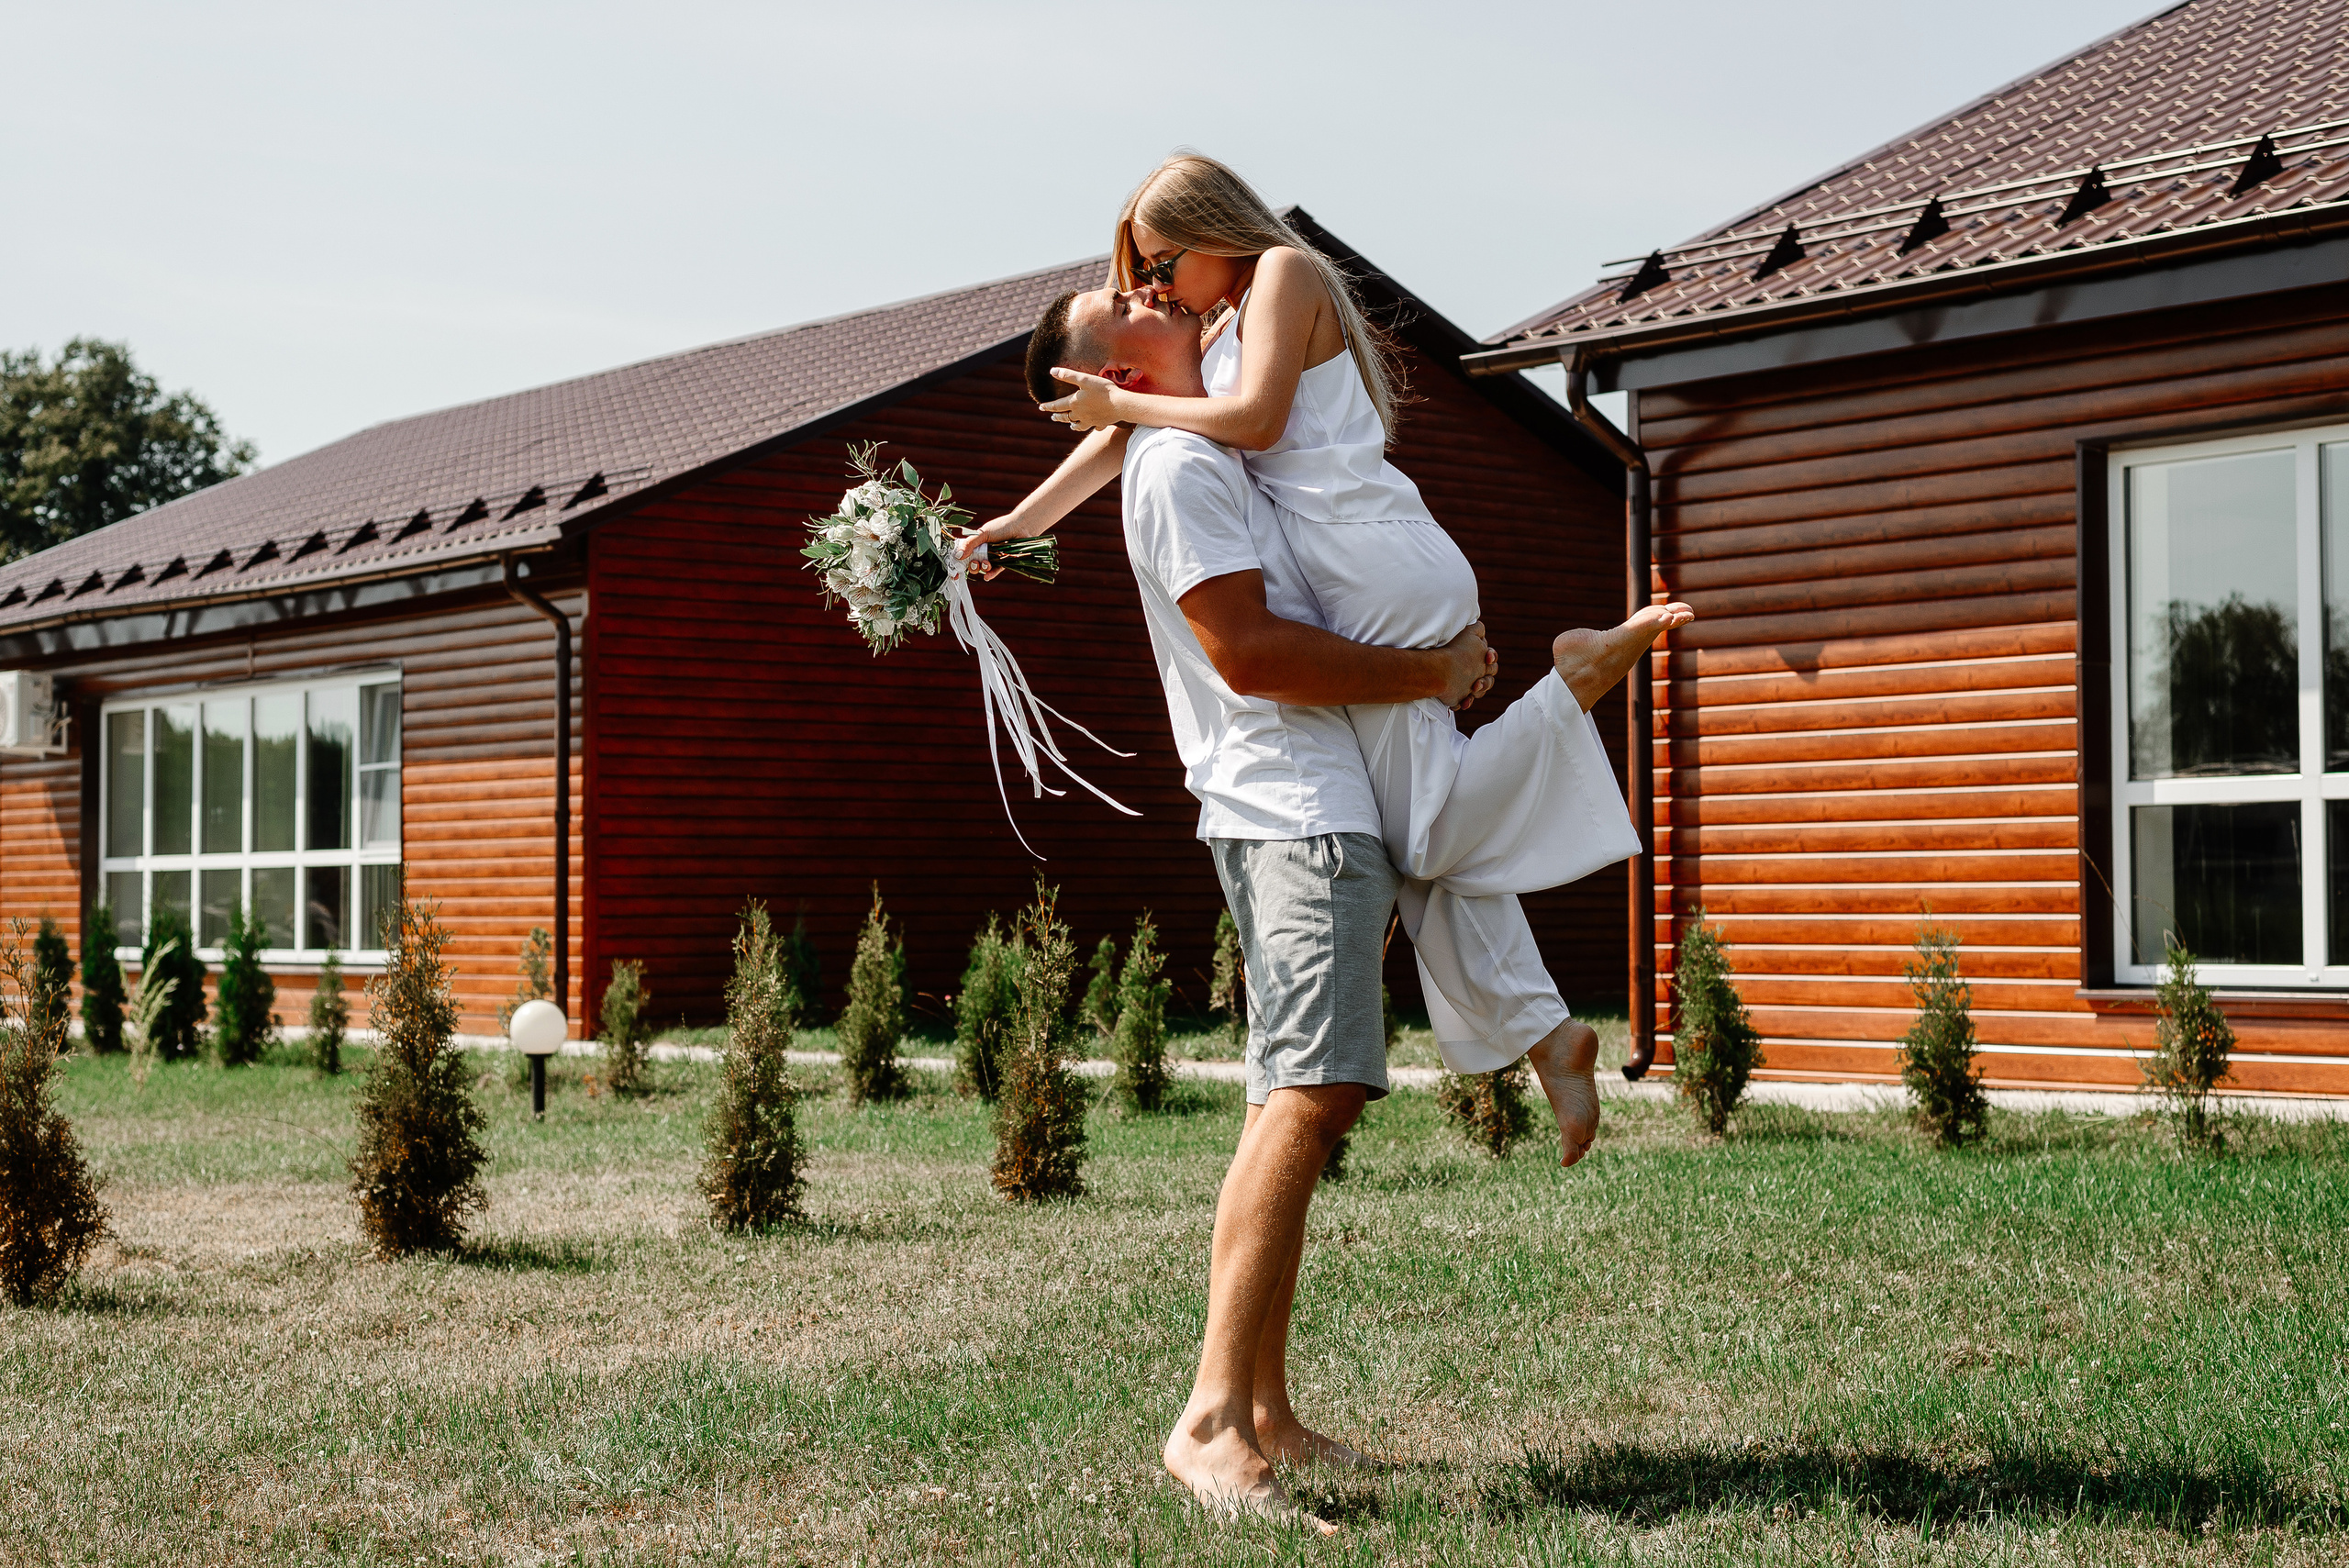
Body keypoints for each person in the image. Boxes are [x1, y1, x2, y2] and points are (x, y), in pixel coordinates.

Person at [964, 153, 1693, 1166]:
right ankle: (1545, 1031)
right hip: (1355, 570)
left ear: (1215, 229)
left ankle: (1571, 685)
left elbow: (1246, 421)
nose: (1158, 287)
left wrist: (1127, 407)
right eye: (1143, 275)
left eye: (1163, 264)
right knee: (1411, 836)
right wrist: (1014, 522)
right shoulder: (1216, 329)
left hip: (1364, 563)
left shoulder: (1282, 274)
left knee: (1430, 830)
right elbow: (1125, 429)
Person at [1034, 277, 1490, 1527]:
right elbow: (1249, 652)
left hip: (1307, 799)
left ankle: (1267, 1408)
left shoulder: (1210, 440)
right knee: (1314, 1092)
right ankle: (1211, 1422)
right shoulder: (1181, 470)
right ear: (1118, 370)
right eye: (1119, 295)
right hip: (1293, 807)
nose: (1146, 282)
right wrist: (1430, 672)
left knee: (1286, 1093)